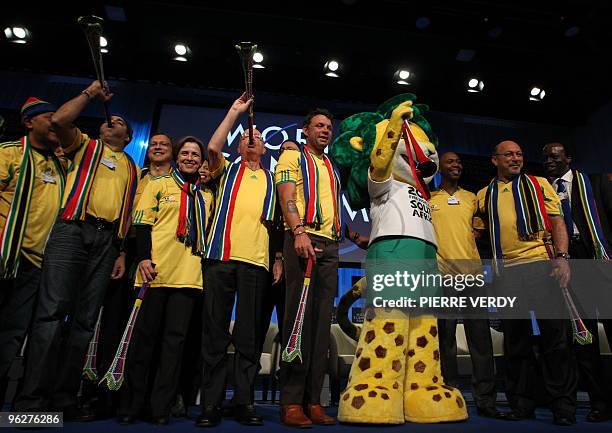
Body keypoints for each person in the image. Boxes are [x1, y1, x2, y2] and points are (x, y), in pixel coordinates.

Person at [14, 80, 139, 420]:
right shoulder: (83, 145)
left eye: (120, 124)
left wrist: (122, 251)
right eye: (108, 121)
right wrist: (90, 94)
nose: (111, 123)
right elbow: (58, 121)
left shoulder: (132, 167)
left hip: (108, 240)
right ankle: (31, 401)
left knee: (85, 322)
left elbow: (128, 215)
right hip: (72, 231)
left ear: (128, 137)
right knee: (51, 315)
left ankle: (64, 398)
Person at [476, 140, 576, 425]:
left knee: (554, 339)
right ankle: (522, 404)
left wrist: (562, 257)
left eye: (519, 154)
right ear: (495, 160)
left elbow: (558, 222)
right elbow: (475, 232)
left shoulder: (539, 183)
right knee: (516, 342)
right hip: (506, 273)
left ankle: (563, 407)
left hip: (541, 266)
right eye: (509, 154)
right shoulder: (484, 195)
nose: (515, 158)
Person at [197, 94, 276, 428]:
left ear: (265, 148)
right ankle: (210, 405)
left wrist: (280, 257)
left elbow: (279, 224)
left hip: (257, 263)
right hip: (220, 257)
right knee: (214, 334)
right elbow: (213, 148)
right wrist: (234, 112)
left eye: (257, 138)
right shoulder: (226, 170)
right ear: (240, 146)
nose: (252, 140)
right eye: (246, 138)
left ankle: (243, 402)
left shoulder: (275, 181)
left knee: (248, 337)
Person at [119, 136, 206, 426]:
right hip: (153, 272)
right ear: (177, 157)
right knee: (144, 343)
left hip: (189, 277)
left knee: (174, 346)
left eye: (195, 154)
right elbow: (142, 224)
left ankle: (161, 408)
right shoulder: (157, 185)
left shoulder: (207, 194)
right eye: (185, 153)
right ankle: (133, 405)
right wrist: (143, 258)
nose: (190, 158)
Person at [276, 109, 340, 427]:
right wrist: (298, 231)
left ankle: (313, 400)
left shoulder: (330, 164)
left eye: (329, 127)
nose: (325, 130)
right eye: (319, 125)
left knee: (320, 327)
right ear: (305, 130)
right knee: (297, 321)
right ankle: (290, 402)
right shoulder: (291, 157)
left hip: (330, 244)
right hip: (303, 237)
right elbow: (286, 196)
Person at [431, 152, 504, 419]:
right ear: (439, 166)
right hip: (442, 277)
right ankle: (450, 395)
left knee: (481, 340)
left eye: (459, 162)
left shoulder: (472, 198)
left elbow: (479, 230)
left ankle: (485, 400)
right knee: (445, 339)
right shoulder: (428, 199)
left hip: (472, 276)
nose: (456, 165)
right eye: (450, 162)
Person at [0, 98, 65, 400]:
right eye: (51, 119)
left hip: (41, 263)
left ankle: (15, 403)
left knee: (17, 333)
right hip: (7, 257)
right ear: (29, 122)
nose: (57, 124)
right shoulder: (8, 154)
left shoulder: (61, 164)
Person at [543, 142, 612, 422]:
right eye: (545, 156)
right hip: (566, 262)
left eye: (555, 156)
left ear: (568, 159)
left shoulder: (594, 183)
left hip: (599, 258)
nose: (549, 160)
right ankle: (600, 402)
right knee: (584, 338)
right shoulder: (542, 190)